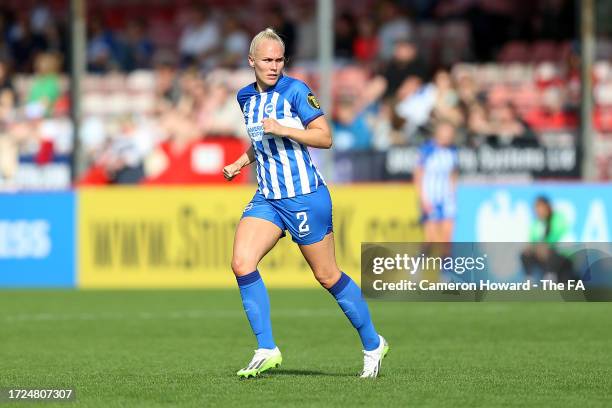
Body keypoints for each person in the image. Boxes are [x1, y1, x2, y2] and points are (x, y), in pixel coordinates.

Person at [223, 28, 388, 379]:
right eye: (267, 60)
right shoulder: (245, 97)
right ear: (251, 61)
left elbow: (324, 137)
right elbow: (262, 140)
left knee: (327, 275)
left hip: (304, 196)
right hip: (267, 196)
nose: (273, 65)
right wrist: (241, 162)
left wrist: (285, 128)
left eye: (279, 59)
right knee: (241, 262)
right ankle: (266, 348)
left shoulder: (296, 91)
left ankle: (373, 343)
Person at [414, 120, 458, 243]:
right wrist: (423, 199)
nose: (448, 135)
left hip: (447, 199)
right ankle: (417, 262)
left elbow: (453, 173)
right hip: (430, 199)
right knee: (431, 241)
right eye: (446, 131)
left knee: (447, 240)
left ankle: (446, 262)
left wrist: (452, 194)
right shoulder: (427, 149)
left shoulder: (452, 150)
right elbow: (418, 176)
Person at [520, 196, 573, 282]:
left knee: (550, 253)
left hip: (561, 256)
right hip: (542, 255)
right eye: (536, 208)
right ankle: (529, 280)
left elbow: (557, 235)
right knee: (525, 254)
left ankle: (550, 277)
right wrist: (532, 247)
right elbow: (532, 240)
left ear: (547, 207)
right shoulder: (536, 223)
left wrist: (545, 244)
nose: (538, 210)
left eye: (540, 207)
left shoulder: (557, 218)